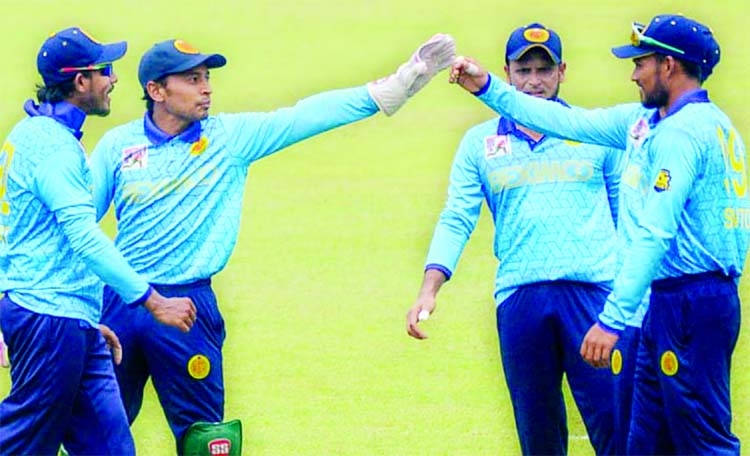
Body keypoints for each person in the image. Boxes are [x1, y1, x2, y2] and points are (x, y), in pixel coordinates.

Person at [88, 34, 456, 452]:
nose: (206, 88)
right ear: (156, 90)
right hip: (120, 303)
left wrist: (394, 87)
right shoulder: (118, 147)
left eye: (207, 78)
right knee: (96, 431)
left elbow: (305, 116)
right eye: (192, 79)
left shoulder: (229, 139)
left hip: (189, 308)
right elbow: (77, 225)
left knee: (204, 440)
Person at [451, 13, 748, 454]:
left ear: (668, 66)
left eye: (641, 63)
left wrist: (612, 318)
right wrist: (488, 87)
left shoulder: (682, 136)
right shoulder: (654, 122)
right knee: (642, 443)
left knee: (702, 441)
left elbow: (655, 233)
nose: (633, 74)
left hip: (690, 303)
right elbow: (566, 123)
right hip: (668, 304)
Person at [406, 23, 622, 455]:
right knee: (537, 432)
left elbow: (628, 217)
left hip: (594, 297)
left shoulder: (594, 132)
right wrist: (430, 288)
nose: (534, 82)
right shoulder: (479, 144)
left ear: (562, 71)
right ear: (506, 71)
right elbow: (457, 217)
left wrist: (636, 296)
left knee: (615, 422)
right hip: (521, 301)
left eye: (544, 70)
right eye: (524, 70)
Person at [0, 27, 197, 455]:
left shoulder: (28, 135)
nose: (113, 79)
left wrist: (83, 319)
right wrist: (152, 301)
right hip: (48, 318)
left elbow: (10, 234)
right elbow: (86, 239)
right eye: (104, 70)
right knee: (21, 443)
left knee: (110, 447)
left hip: (69, 319)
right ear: (80, 82)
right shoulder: (53, 150)